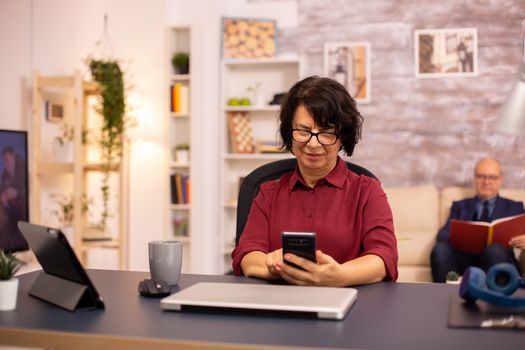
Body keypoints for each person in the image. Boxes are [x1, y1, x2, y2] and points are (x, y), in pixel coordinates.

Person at [231, 76, 398, 286]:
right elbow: (246, 255)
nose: (312, 143)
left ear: (342, 137)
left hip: (350, 307)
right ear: (289, 133)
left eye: (327, 133)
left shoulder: (367, 191)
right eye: (303, 131)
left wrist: (338, 277)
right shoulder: (268, 192)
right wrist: (271, 263)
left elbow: (385, 257)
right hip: (279, 307)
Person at [430, 158, 525, 283]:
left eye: (492, 177)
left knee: (494, 249)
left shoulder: (514, 207)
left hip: (497, 260)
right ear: (474, 178)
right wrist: (464, 238)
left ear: (500, 180)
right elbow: (442, 235)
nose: (486, 182)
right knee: (440, 249)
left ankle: (497, 298)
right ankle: (444, 296)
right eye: (481, 176)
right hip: (463, 263)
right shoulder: (460, 206)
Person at [0, 145, 28, 251]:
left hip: (23, 208)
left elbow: (29, 190)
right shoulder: (4, 176)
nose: (5, 164)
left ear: (13, 157)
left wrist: (17, 193)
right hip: (10, 208)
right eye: (4, 161)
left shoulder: (23, 168)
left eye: (7, 160)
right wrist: (2, 197)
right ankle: (5, 252)